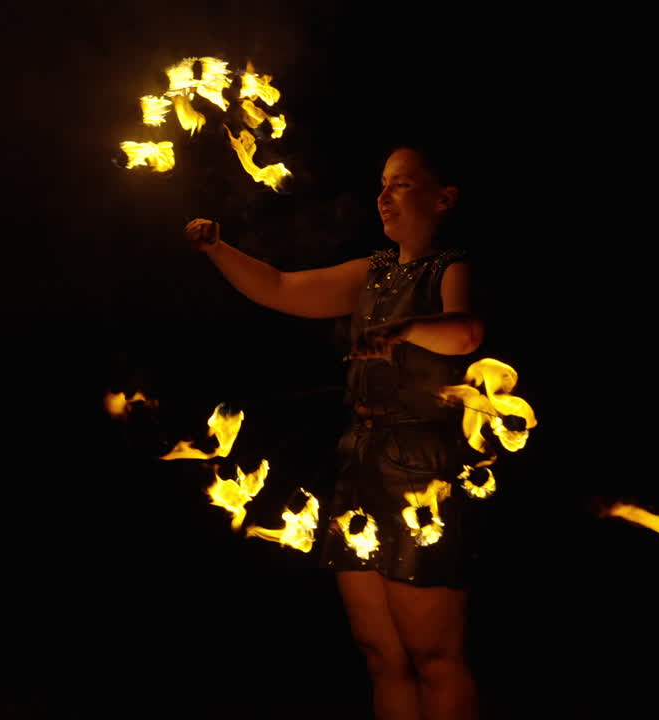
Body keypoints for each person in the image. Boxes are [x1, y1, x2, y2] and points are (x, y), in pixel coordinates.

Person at [185, 145, 483, 720]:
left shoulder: (452, 267)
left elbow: (465, 333)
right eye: (382, 183)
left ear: (444, 199)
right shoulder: (373, 272)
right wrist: (218, 249)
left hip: (424, 470)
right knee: (381, 655)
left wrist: (402, 329)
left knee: (433, 657)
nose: (384, 196)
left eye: (402, 184)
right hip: (361, 465)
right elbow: (279, 287)